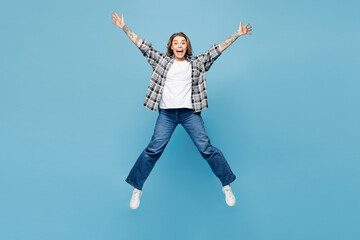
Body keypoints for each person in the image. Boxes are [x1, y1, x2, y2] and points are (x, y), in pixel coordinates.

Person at [111, 12, 252, 209]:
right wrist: (124, 28)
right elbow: (143, 46)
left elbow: (216, 50)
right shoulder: (161, 61)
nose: (179, 45)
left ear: (187, 46)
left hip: (189, 114)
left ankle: (226, 185)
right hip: (167, 114)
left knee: (206, 149)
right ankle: (137, 189)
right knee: (153, 150)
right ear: (171, 46)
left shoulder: (196, 63)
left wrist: (236, 35)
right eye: (176, 42)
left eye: (183, 42)